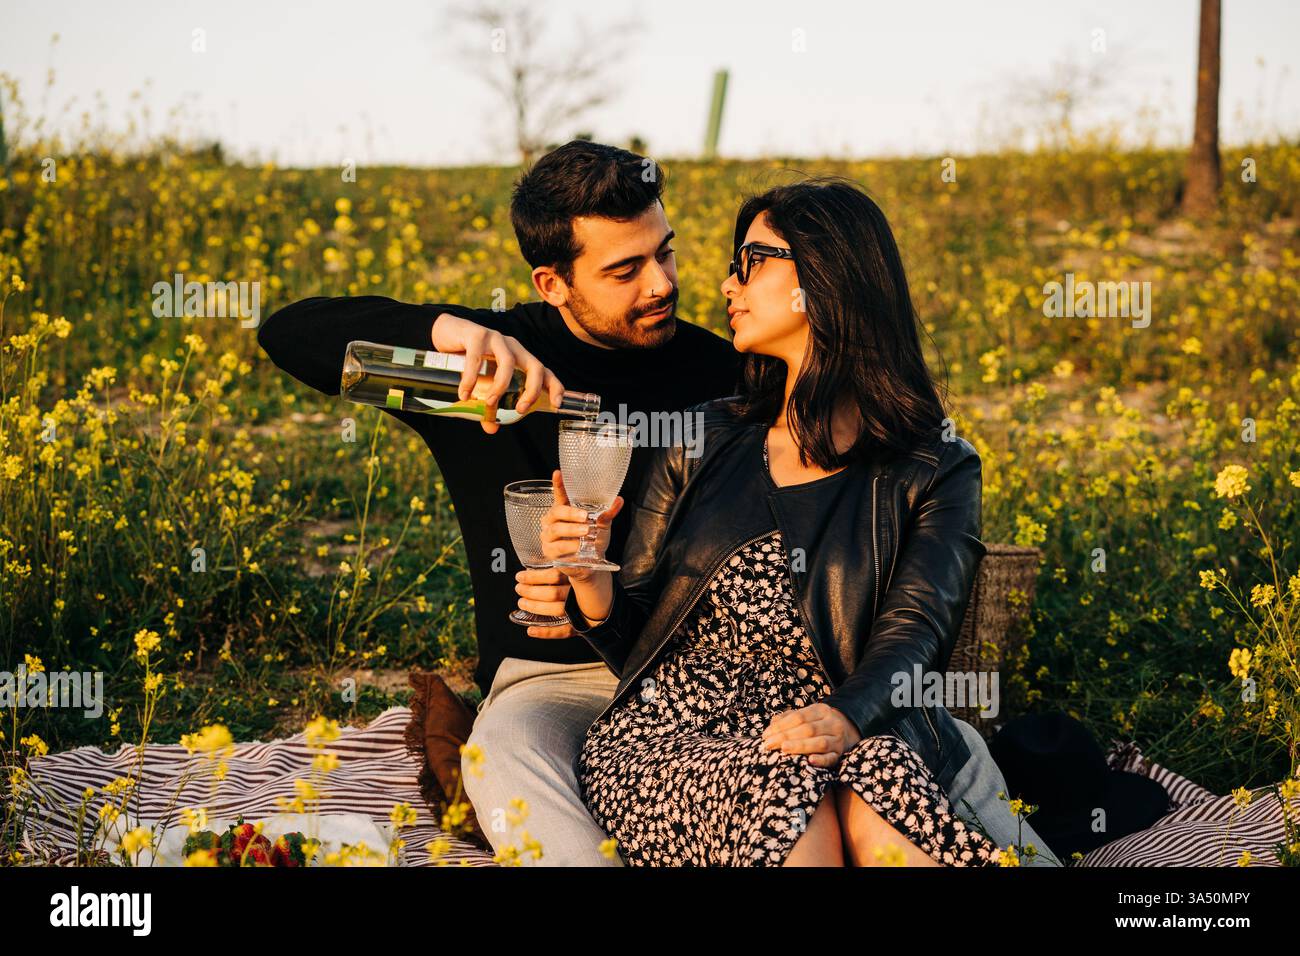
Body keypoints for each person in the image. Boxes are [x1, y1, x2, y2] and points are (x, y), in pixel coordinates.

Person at [544, 177, 1059, 866]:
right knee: (795, 799)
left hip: (841, 716)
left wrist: (845, 718)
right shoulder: (701, 437)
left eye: (751, 260)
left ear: (827, 274)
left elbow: (916, 635)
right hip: (678, 732)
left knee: (878, 792)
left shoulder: (935, 466)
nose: (728, 283)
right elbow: (641, 644)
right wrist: (591, 581)